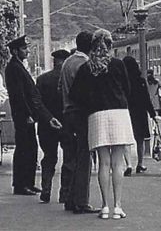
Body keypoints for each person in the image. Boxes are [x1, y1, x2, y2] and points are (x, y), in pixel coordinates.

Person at [69, 29, 133, 220]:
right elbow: (127, 89)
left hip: (96, 116)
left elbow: (75, 96)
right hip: (119, 114)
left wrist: (91, 102)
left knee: (103, 163)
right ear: (111, 45)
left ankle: (105, 206)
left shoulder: (86, 68)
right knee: (118, 163)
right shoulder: (118, 65)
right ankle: (117, 207)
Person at [4, 35, 62, 196]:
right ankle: (21, 184)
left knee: (30, 147)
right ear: (15, 51)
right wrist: (27, 114)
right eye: (24, 49)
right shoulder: (14, 68)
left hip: (26, 114)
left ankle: (28, 182)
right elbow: (19, 95)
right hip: (23, 115)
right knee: (24, 148)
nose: (27, 51)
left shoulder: (17, 66)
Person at [60, 31, 99, 214]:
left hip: (67, 113)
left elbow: (60, 87)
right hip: (81, 114)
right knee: (84, 157)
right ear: (91, 46)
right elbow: (88, 92)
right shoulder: (84, 64)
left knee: (71, 157)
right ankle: (81, 201)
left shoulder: (67, 62)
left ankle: (69, 198)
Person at [35, 49, 73, 203]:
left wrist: (47, 118)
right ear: (66, 61)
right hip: (66, 123)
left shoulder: (42, 79)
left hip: (46, 125)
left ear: (54, 61)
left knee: (49, 157)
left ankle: (46, 189)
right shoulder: (69, 79)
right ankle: (64, 193)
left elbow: (37, 102)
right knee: (69, 158)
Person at [122, 56, 156, 176]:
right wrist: (152, 113)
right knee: (139, 139)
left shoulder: (122, 81)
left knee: (126, 140)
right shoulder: (141, 81)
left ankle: (128, 164)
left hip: (126, 112)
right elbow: (146, 99)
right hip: (140, 113)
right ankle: (140, 163)